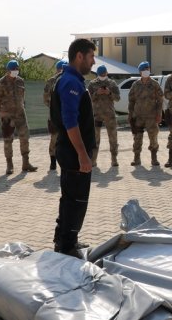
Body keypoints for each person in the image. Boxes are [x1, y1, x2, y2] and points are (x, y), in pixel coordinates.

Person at [50, 38, 97, 257]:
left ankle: (65, 240)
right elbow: (71, 122)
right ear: (79, 56)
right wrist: (82, 155)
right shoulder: (70, 83)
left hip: (71, 152)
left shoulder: (72, 80)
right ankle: (67, 247)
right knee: (76, 201)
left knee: (69, 199)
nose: (93, 62)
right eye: (91, 57)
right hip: (73, 153)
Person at [0, 60, 37, 175]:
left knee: (25, 138)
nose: (15, 71)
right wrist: (2, 113)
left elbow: (23, 97)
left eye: (17, 69)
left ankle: (26, 163)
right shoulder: (0, 83)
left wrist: (22, 107)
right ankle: (9, 165)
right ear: (8, 70)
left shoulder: (21, 81)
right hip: (7, 116)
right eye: (13, 69)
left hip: (20, 115)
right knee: (8, 140)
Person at [128, 61, 163, 166]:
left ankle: (154, 158)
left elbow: (160, 100)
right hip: (138, 117)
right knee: (137, 138)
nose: (146, 71)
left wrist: (159, 114)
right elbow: (131, 101)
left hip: (151, 117)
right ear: (140, 72)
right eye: (144, 69)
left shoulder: (154, 84)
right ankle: (136, 159)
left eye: (147, 69)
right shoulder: (135, 85)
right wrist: (130, 115)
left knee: (153, 137)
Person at [87, 65, 120, 167]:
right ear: (97, 74)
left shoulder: (112, 83)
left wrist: (109, 93)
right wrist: (97, 93)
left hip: (110, 115)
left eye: (103, 74)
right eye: (100, 74)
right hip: (96, 115)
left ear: (106, 73)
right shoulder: (92, 84)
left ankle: (114, 159)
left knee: (113, 138)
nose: (102, 76)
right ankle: (93, 160)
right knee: (95, 139)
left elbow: (118, 98)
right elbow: (88, 99)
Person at [44, 60, 67, 170]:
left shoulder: (69, 80)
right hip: (54, 116)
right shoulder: (51, 81)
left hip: (67, 114)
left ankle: (66, 161)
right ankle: (53, 162)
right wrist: (55, 106)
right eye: (60, 69)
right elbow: (45, 99)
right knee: (54, 138)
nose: (61, 71)